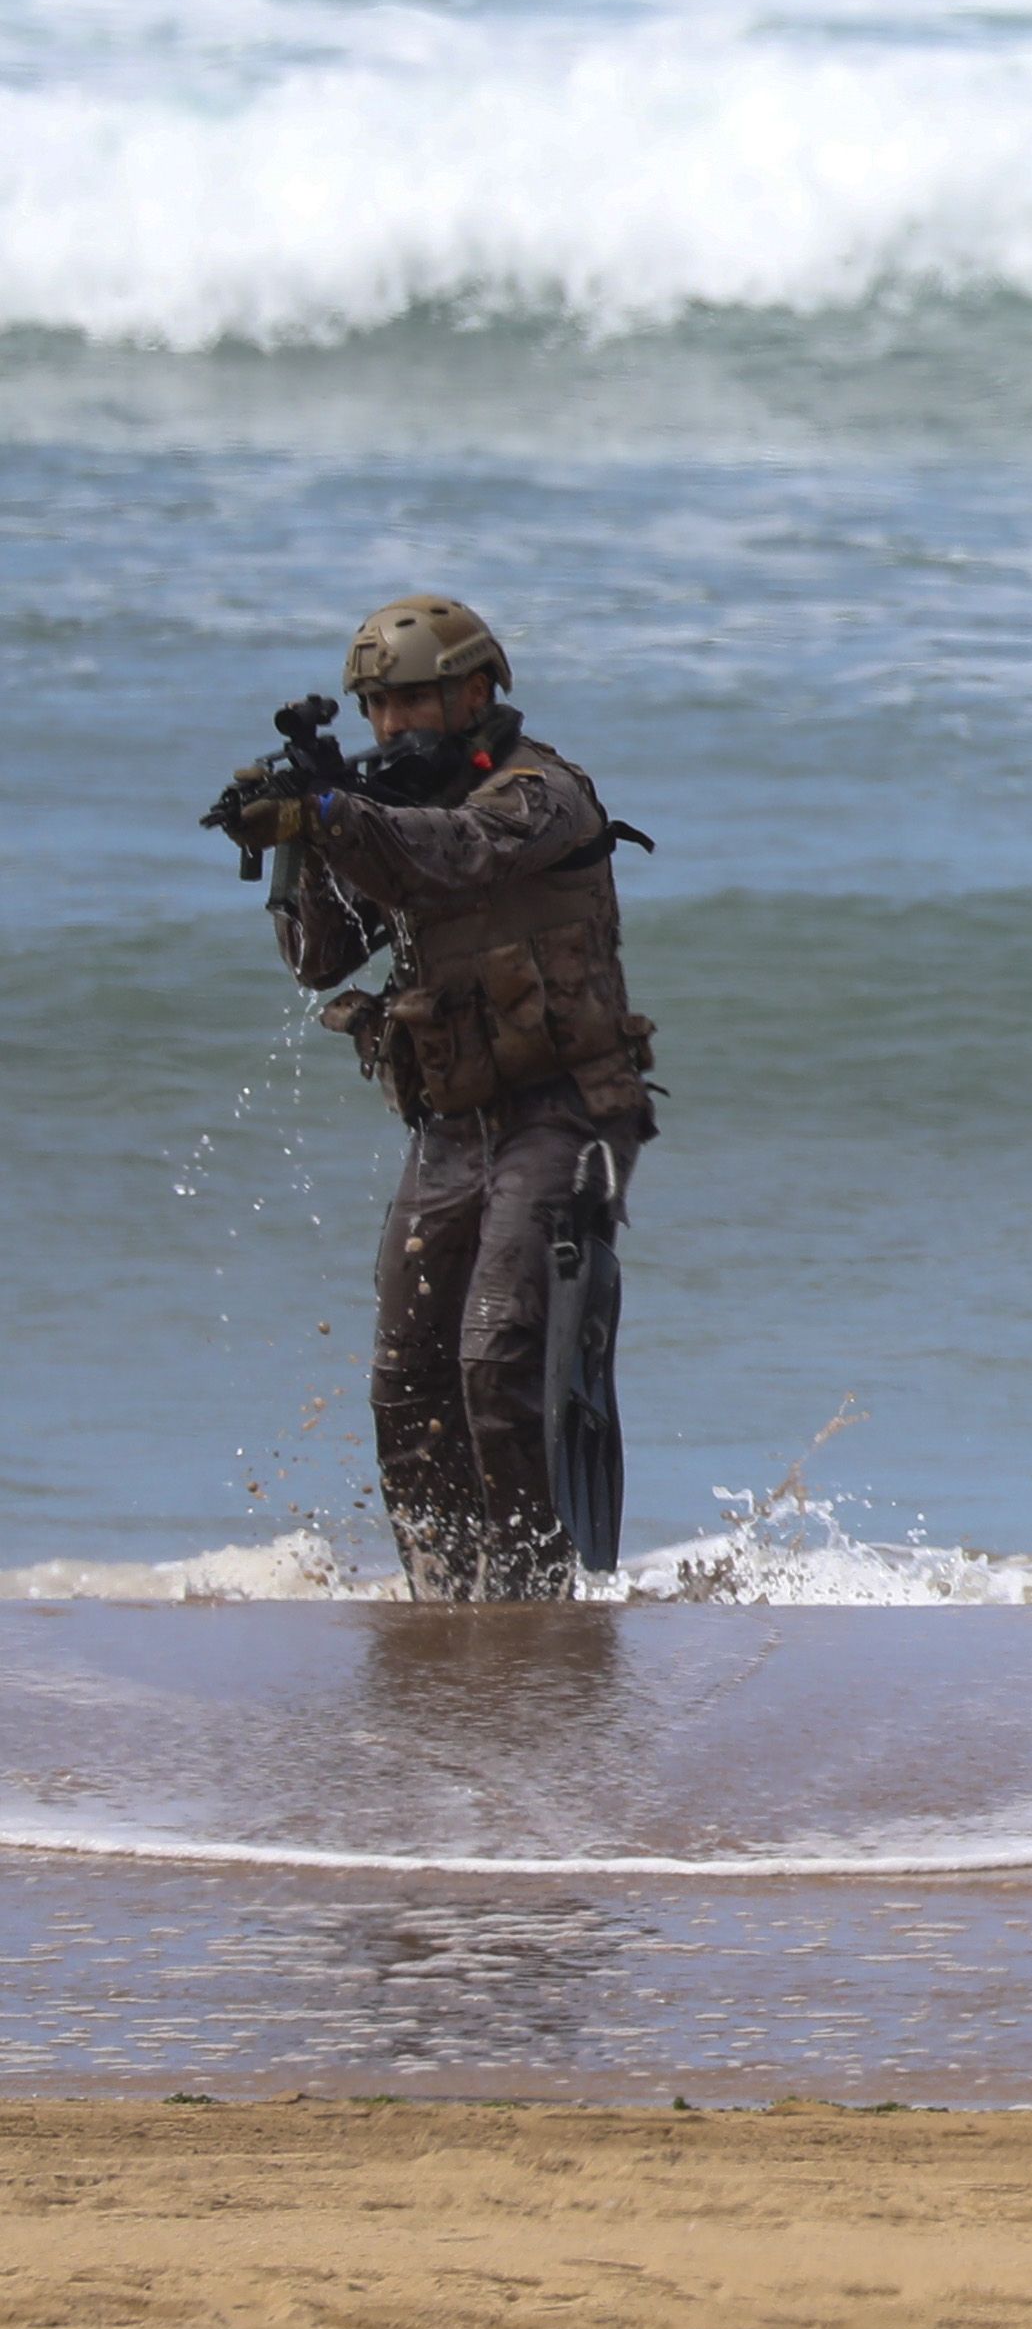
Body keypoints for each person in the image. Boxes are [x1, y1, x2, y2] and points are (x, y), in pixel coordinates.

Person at [213, 595, 659, 1601]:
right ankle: (448, 1606)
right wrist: (300, 844)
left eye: (411, 700)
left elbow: (455, 858)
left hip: (565, 1113)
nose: (391, 726)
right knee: (408, 1381)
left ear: (477, 690)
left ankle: (536, 1611)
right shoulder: (386, 817)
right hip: (453, 1129)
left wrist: (336, 813)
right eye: (377, 707)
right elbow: (319, 960)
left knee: (498, 1357)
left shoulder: (541, 795)